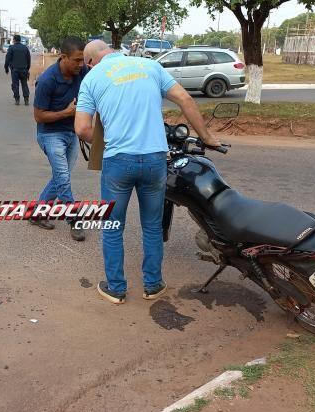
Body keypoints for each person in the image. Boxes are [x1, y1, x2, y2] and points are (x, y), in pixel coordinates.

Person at [74, 40, 221, 305]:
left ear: (90, 62)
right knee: (152, 226)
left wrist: (110, 143)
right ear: (114, 51)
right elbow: (185, 98)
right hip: (155, 160)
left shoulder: (92, 78)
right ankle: (152, 285)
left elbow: (82, 128)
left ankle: (116, 289)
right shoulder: (151, 66)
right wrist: (207, 137)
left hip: (118, 162)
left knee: (112, 226)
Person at [30, 36, 87, 241]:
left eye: (83, 60)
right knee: (63, 177)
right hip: (50, 134)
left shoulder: (83, 72)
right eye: (77, 60)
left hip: (72, 132)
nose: (81, 64)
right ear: (63, 57)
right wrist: (67, 113)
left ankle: (37, 214)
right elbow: (39, 116)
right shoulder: (47, 80)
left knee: (60, 178)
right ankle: (74, 220)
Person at [4, 35, 31, 105]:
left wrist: (6, 68)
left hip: (15, 70)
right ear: (20, 40)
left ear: (14, 40)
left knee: (15, 85)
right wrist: (27, 69)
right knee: (24, 84)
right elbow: (28, 59)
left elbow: (7, 59)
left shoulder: (11, 48)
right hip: (24, 70)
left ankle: (17, 99)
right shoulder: (25, 48)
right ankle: (26, 99)